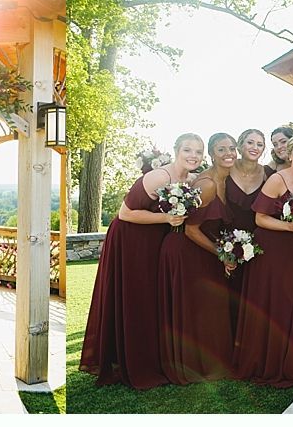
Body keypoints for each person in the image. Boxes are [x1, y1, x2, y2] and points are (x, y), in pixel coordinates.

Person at [80, 133, 204, 389]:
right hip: (131, 238)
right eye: (188, 150)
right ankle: (129, 359)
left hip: (156, 241)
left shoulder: (190, 180)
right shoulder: (159, 176)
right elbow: (125, 214)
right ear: (176, 151)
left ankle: (154, 357)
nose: (193, 156)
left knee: (152, 297)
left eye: (198, 151)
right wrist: (166, 220)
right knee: (136, 296)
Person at [233, 134, 293, 387]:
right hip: (273, 249)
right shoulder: (277, 179)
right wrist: (287, 227)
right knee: (276, 304)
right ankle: (269, 361)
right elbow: (259, 218)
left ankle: (292, 358)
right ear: (289, 153)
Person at [157, 133, 237, 383]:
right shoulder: (208, 184)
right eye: (221, 149)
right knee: (195, 309)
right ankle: (192, 366)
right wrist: (223, 254)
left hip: (204, 248)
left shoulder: (227, 181)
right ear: (212, 154)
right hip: (187, 249)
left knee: (208, 308)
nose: (229, 153)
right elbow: (190, 229)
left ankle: (209, 363)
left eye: (232, 148)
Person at [225, 129, 271, 334]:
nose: (254, 148)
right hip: (225, 240)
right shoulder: (225, 169)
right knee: (226, 294)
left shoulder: (269, 175)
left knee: (252, 296)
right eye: (250, 143)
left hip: (258, 244)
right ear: (240, 145)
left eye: (259, 144)